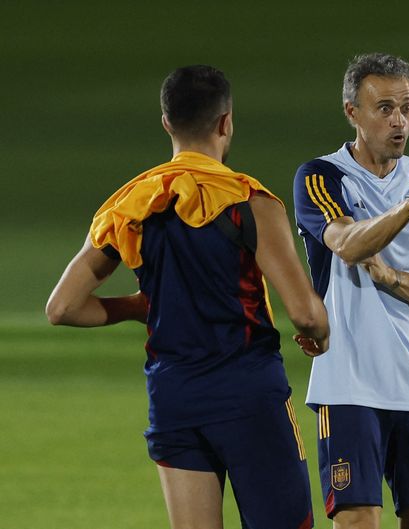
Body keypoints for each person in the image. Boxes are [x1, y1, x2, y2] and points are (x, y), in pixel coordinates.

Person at [46, 65, 329, 529]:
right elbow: (304, 313)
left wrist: (137, 307)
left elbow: (61, 308)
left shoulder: (132, 203)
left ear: (166, 124)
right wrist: (322, 332)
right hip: (249, 394)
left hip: (175, 398)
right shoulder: (249, 202)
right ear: (226, 122)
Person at [293, 52, 409, 529]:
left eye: (408, 107)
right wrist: (408, 209)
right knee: (357, 520)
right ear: (352, 112)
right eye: (385, 108)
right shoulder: (321, 176)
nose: (400, 121)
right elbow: (346, 245)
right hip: (349, 383)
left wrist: (394, 279)